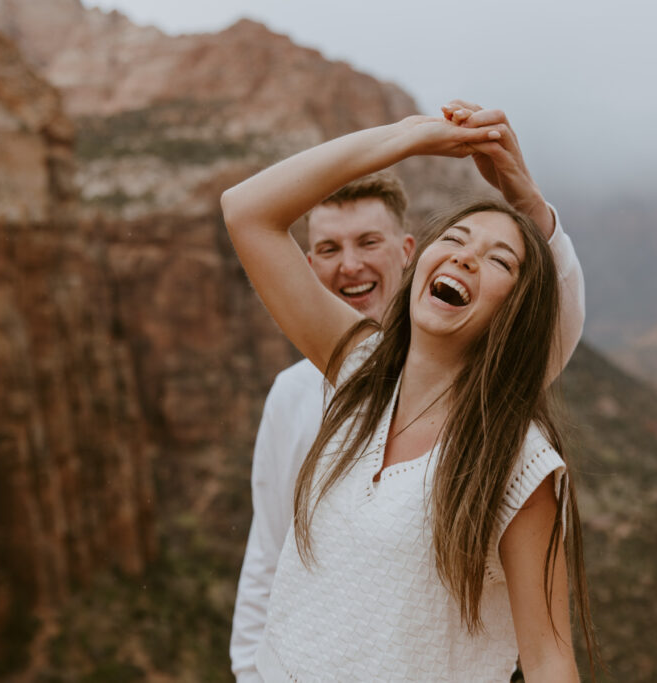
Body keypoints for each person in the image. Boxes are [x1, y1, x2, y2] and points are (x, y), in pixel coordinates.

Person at [223, 103, 595, 681]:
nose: (466, 256)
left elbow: (549, 658)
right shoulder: (357, 374)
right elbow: (245, 212)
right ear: (422, 260)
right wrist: (405, 138)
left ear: (514, 315)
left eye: (498, 260)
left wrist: (525, 198)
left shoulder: (514, 458)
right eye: (457, 238)